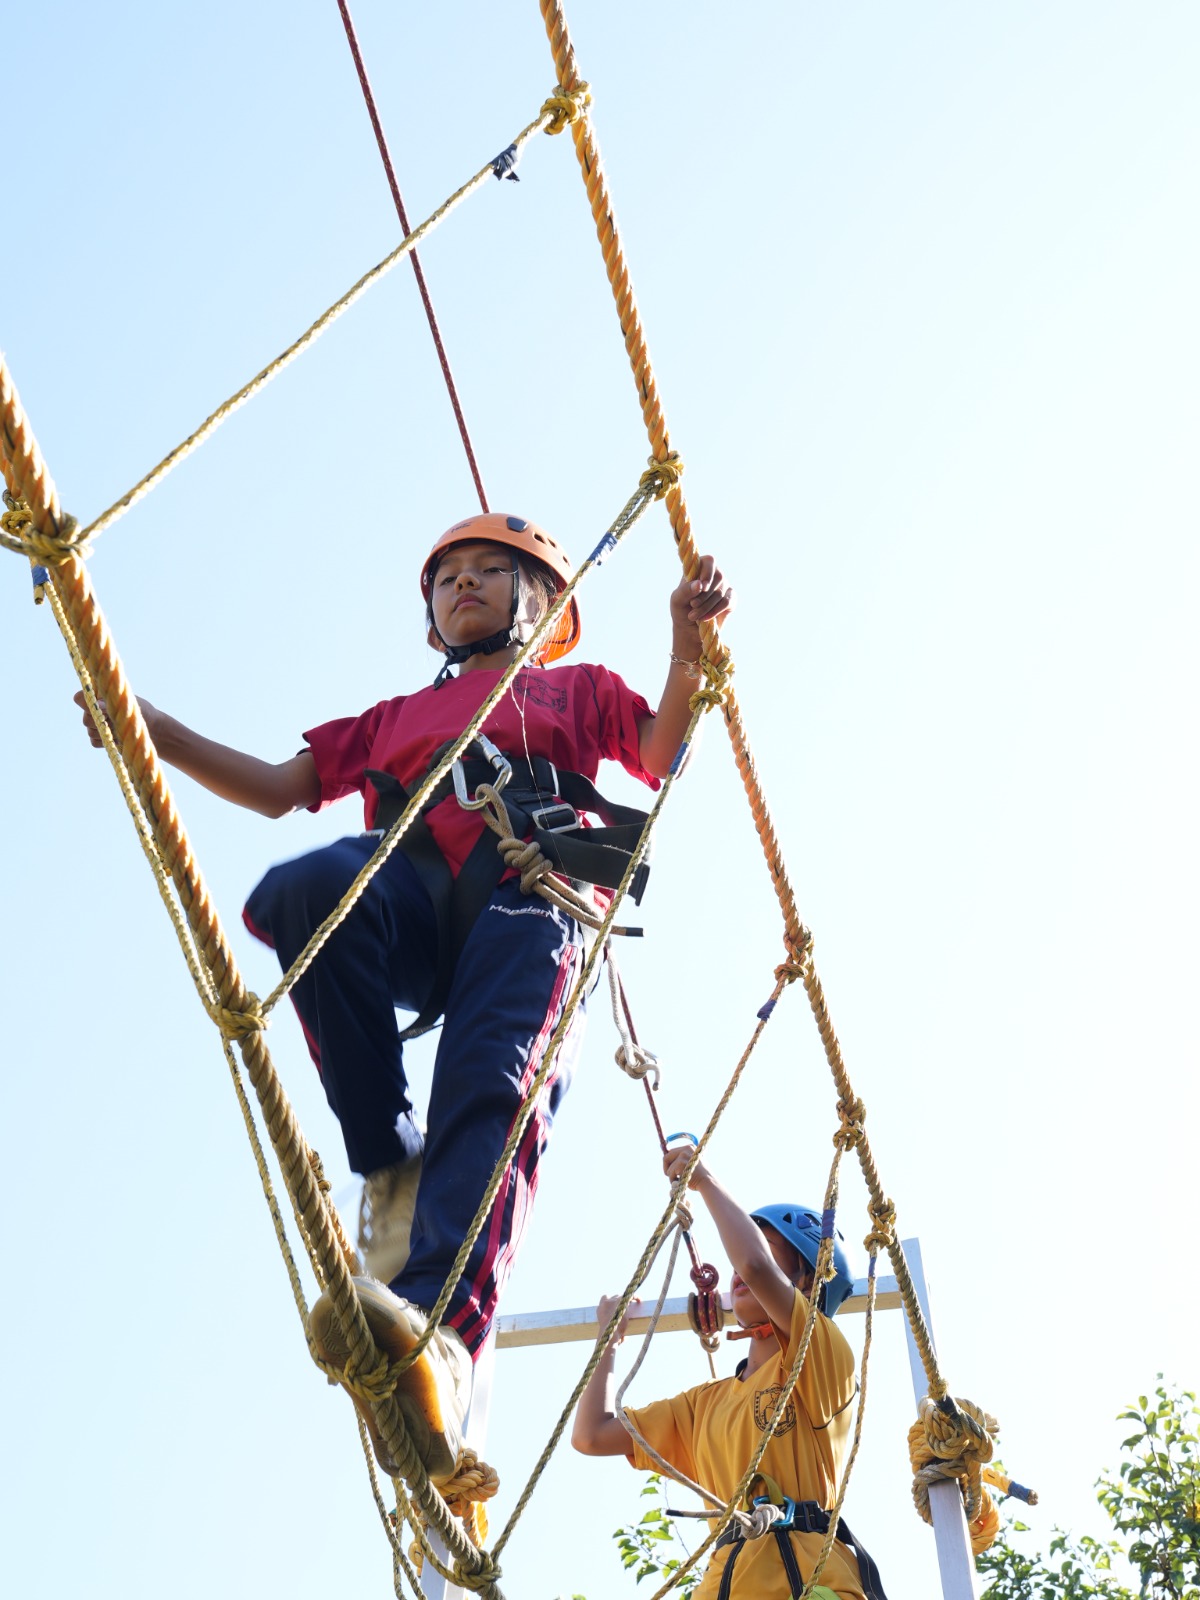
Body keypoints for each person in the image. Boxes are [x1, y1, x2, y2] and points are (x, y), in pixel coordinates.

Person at [77, 511, 733, 1486]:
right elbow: (276, 786)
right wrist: (154, 732)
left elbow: (659, 744)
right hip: (418, 898)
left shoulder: (574, 689)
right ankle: (389, 1162)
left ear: (542, 603)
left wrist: (688, 643)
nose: (461, 585)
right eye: (447, 577)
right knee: (304, 893)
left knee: (490, 1079)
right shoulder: (391, 720)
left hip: (533, 898)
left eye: (487, 572)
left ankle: (440, 1336)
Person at [573, 1150, 889, 1599]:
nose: (741, 1269)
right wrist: (609, 1340)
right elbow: (591, 1435)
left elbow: (756, 1267)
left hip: (807, 1581)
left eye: (766, 1246)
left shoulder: (821, 1357)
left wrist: (704, 1181)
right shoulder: (705, 1405)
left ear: (805, 1279)